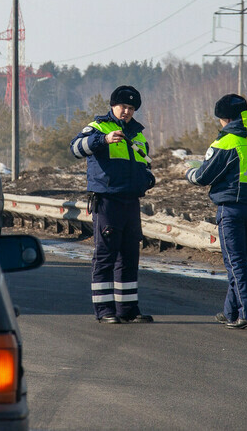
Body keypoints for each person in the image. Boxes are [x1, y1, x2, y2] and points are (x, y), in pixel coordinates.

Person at [69, 85, 156, 324]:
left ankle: (127, 310)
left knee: (129, 256)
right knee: (106, 255)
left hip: (131, 201)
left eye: (131, 108)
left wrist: (147, 179)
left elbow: (143, 164)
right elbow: (75, 148)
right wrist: (103, 139)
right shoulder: (98, 127)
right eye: (122, 107)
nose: (126, 111)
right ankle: (105, 310)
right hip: (107, 201)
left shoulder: (137, 134)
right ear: (112, 106)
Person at [184, 94, 247, 329]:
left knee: (235, 263)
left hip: (230, 208)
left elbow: (203, 177)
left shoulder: (226, 142)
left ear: (223, 118)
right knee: (241, 260)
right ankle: (230, 311)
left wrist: (189, 172)